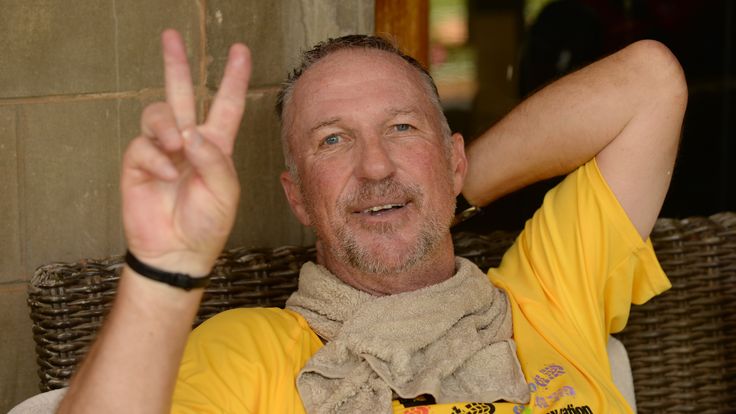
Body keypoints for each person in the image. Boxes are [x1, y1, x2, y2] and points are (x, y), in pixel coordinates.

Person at [57, 27, 686, 414]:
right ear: (298, 197)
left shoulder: (548, 295)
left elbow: (649, 82)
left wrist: (445, 193)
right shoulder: (247, 355)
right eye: (333, 141)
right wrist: (164, 268)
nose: (376, 165)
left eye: (402, 128)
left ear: (455, 157)